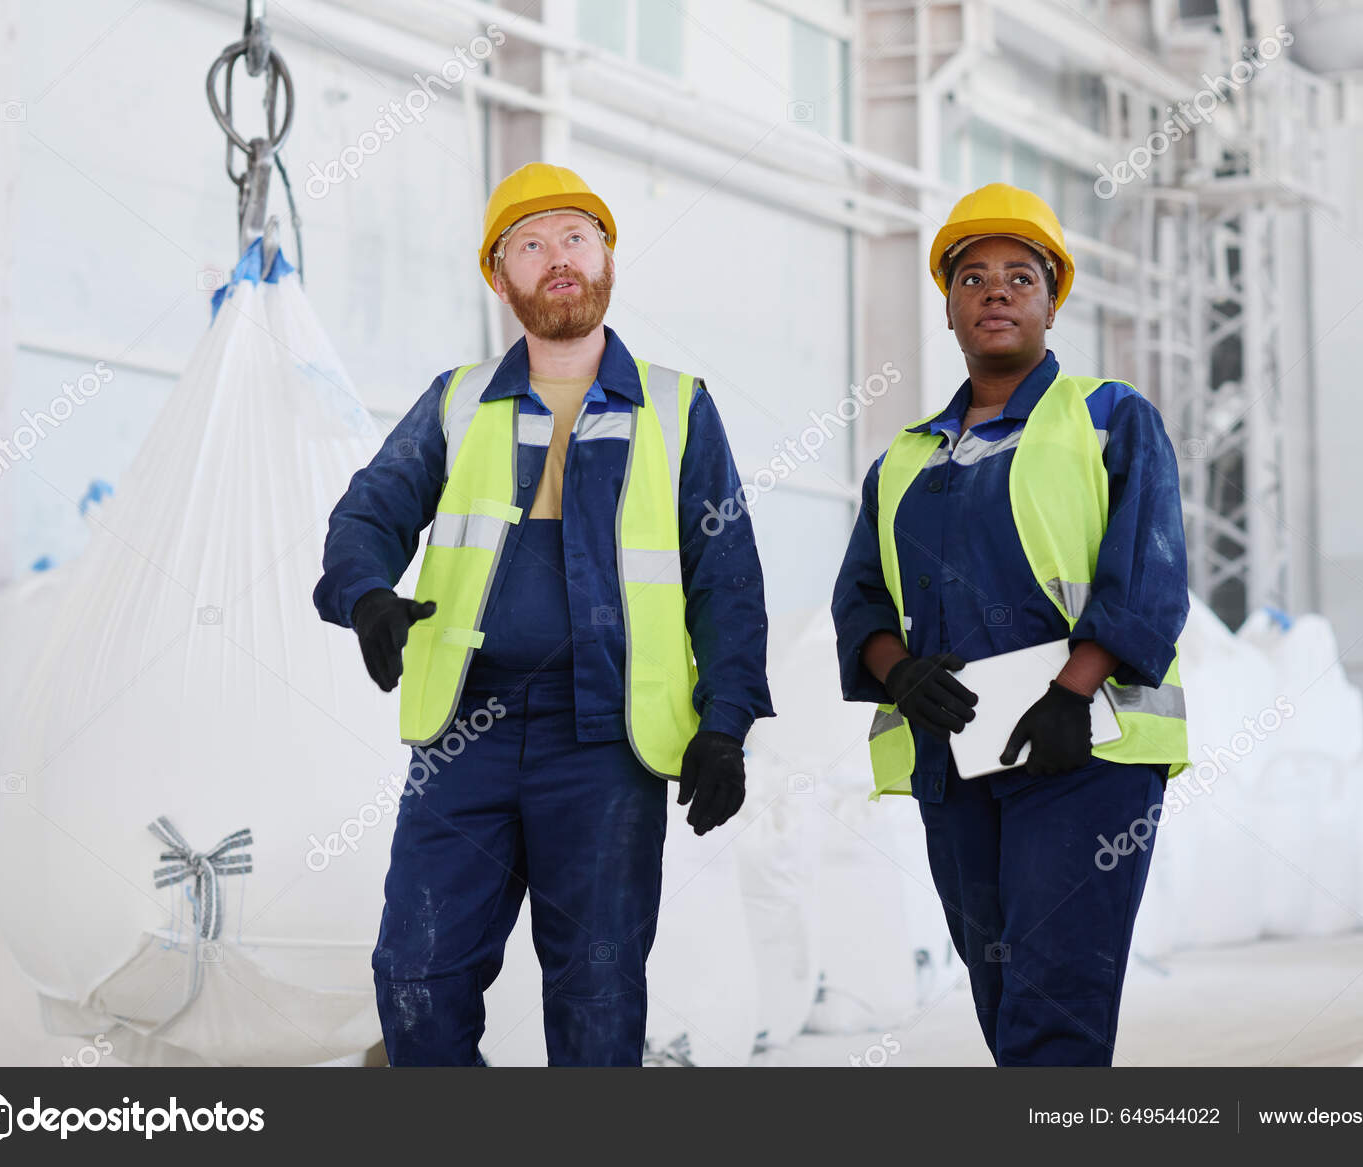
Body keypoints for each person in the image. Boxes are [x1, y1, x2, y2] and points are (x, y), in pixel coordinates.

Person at [314, 162, 773, 1066]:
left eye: (574, 237)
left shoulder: (678, 408)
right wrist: (365, 594)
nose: (555, 258)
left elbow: (728, 580)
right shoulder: (457, 400)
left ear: (606, 257)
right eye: (529, 244)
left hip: (606, 742)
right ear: (500, 277)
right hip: (465, 734)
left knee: (596, 998)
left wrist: (726, 725)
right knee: (416, 977)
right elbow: (366, 514)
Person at [831, 183, 1190, 1066]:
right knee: (1001, 997)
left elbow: (1147, 572)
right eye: (975, 277)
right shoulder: (905, 458)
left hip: (1083, 752)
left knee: (1054, 1003)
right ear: (949, 306)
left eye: (1020, 276)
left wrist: (1074, 691)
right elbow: (861, 598)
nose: (997, 290)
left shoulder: (1108, 419)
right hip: (957, 761)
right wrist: (897, 670)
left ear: (1051, 301)